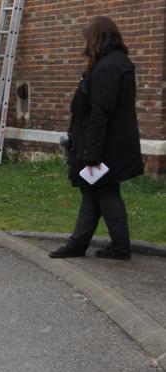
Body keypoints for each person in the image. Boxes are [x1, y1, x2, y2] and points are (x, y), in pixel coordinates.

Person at [49, 16, 143, 260]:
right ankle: (79, 244)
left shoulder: (106, 68)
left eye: (87, 38)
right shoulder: (119, 63)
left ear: (96, 38)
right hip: (113, 143)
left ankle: (118, 248)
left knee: (106, 192)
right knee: (93, 193)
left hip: (103, 146)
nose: (85, 43)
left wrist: (91, 154)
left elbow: (100, 113)